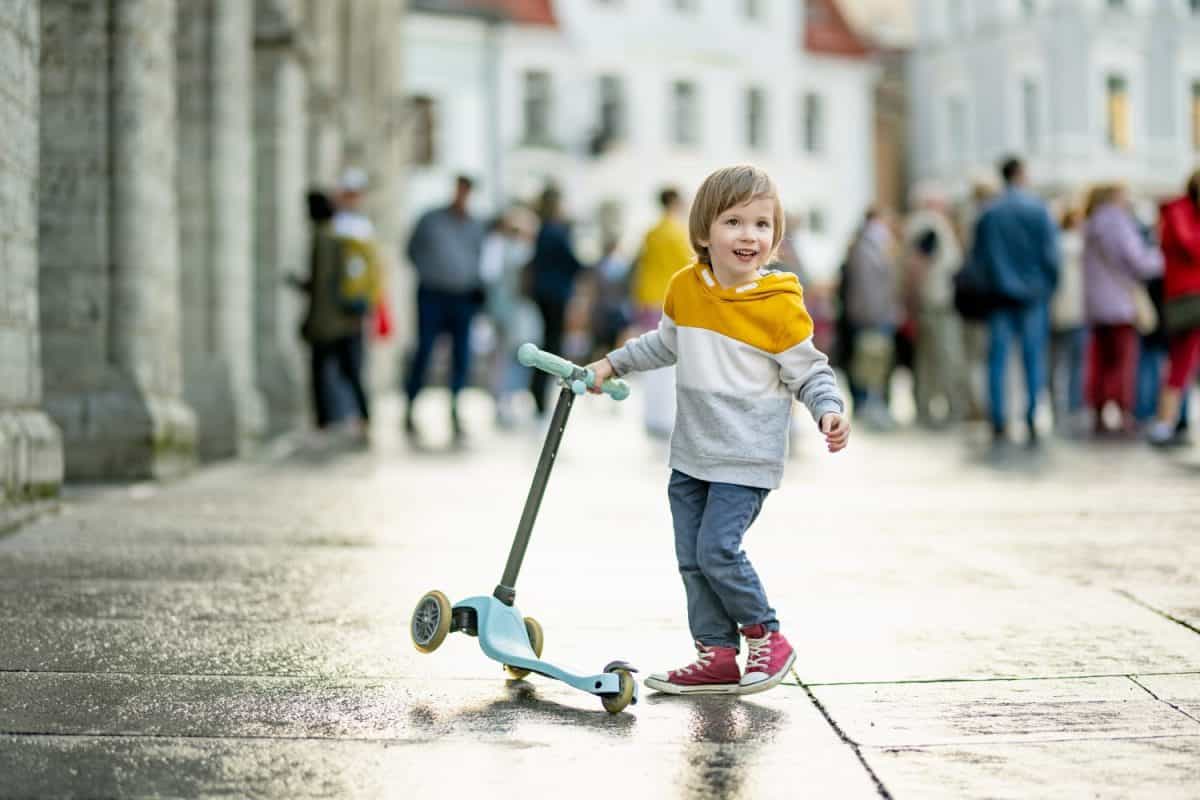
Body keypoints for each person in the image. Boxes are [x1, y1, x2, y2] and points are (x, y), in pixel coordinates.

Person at [586, 165, 850, 696]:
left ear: (775, 236)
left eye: (761, 224)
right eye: (733, 222)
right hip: (691, 455)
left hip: (745, 455)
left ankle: (766, 637)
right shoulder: (686, 288)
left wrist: (828, 408)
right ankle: (718, 655)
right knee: (692, 559)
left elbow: (809, 368)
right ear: (704, 231)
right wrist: (611, 365)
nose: (748, 235)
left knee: (717, 550)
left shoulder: (777, 304)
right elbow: (663, 343)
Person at [969, 156, 1059, 447]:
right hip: (1033, 295)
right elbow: (1051, 255)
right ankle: (1032, 415)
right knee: (1033, 358)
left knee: (997, 359)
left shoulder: (990, 212)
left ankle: (998, 418)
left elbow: (978, 259)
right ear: (1022, 174)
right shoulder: (1038, 209)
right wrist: (1048, 286)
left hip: (999, 295)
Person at [404, 175, 487, 444]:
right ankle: (410, 405)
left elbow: (478, 258)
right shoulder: (431, 219)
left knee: (461, 355)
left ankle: (454, 407)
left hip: (462, 296)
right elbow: (412, 250)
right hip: (433, 293)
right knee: (425, 350)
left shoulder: (475, 225)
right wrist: (430, 272)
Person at [1082, 183, 1163, 435]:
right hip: (1119, 303)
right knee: (1123, 362)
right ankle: (1123, 410)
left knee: (1100, 362)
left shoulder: (1090, 224)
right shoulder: (1118, 223)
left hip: (1096, 305)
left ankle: (1099, 410)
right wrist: (1161, 258)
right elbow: (1137, 260)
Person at [295, 189, 376, 434]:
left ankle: (325, 420)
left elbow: (322, 283)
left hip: (328, 321)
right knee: (351, 370)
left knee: (322, 372)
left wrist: (309, 319)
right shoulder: (341, 237)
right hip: (346, 318)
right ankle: (362, 416)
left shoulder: (322, 238)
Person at [630, 187, 694, 437]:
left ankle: (652, 415)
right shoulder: (677, 233)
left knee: (651, 358)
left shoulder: (651, 233)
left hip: (647, 301)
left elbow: (640, 268)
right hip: (670, 303)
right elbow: (690, 268)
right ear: (676, 202)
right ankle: (665, 417)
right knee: (669, 361)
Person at [904, 183, 967, 427]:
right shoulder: (930, 225)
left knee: (927, 359)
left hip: (929, 302)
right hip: (936, 303)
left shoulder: (922, 224)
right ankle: (952, 408)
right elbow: (918, 264)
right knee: (946, 356)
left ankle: (925, 408)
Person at [1147, 170, 1200, 447]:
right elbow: (1191, 246)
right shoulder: (1179, 213)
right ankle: (1165, 421)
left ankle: (1170, 420)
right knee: (1181, 360)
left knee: (1182, 360)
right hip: (1188, 297)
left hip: (1186, 294)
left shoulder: (1178, 212)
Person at [480, 206, 540, 428]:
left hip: (517, 314)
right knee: (502, 359)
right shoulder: (499, 249)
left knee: (519, 358)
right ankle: (501, 400)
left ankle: (512, 398)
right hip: (504, 312)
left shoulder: (522, 251)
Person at [527, 186, 585, 416]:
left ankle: (538, 390)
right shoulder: (555, 231)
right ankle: (540, 391)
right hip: (555, 294)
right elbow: (571, 261)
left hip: (545, 293)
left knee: (549, 340)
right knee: (552, 343)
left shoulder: (543, 230)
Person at [844, 208, 900, 429]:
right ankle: (868, 406)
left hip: (879, 315)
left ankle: (873, 405)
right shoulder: (865, 249)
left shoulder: (875, 247)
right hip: (872, 317)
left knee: (877, 363)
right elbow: (867, 289)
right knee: (869, 364)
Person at [1048, 206, 1088, 435]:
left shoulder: (1053, 245)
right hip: (1077, 311)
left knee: (1055, 363)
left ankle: (1057, 405)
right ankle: (1074, 405)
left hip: (1055, 311)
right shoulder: (1082, 246)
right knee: (1076, 363)